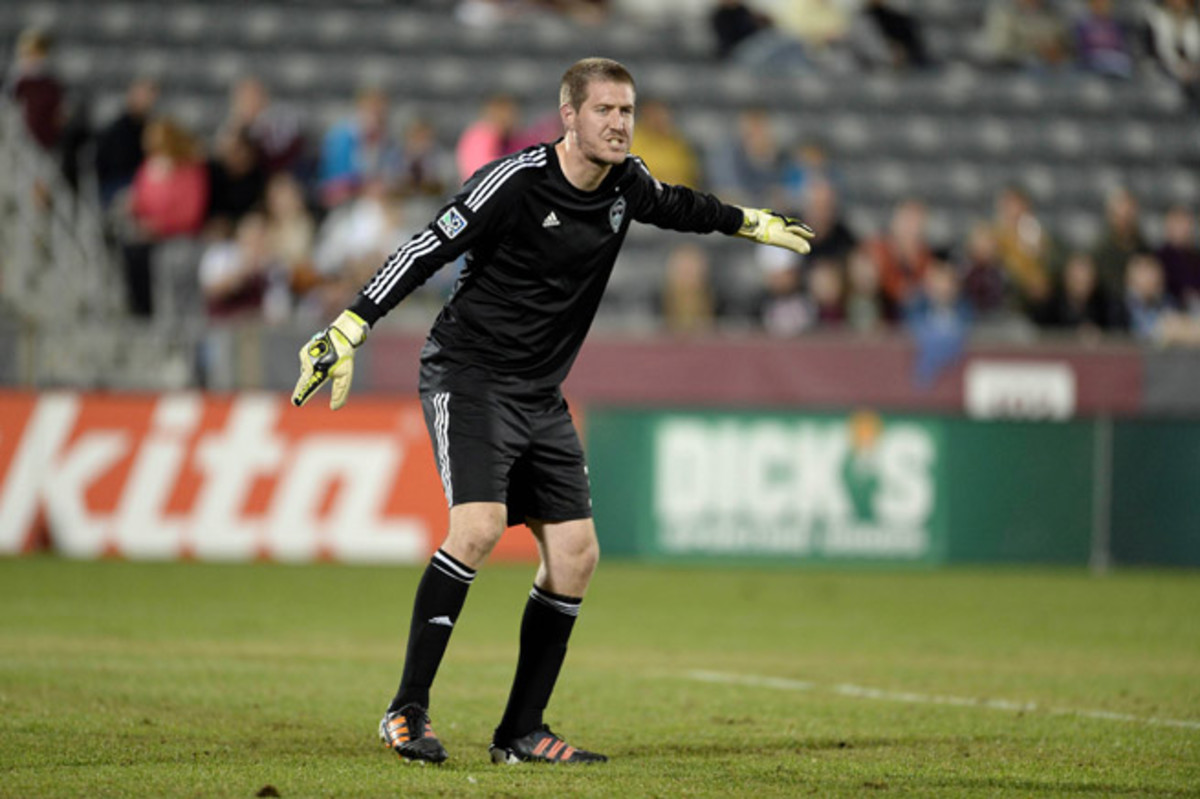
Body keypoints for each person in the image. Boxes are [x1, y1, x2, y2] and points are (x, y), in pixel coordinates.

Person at [291, 57, 813, 765]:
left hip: (539, 392)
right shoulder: (514, 181)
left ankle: (521, 731)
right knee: (478, 527)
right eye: (605, 110)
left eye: (627, 110)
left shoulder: (627, 184)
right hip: (468, 374)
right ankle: (406, 711)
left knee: (575, 554)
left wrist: (749, 222)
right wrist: (350, 325)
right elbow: (424, 247)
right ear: (569, 116)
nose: (620, 123)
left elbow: (683, 206)